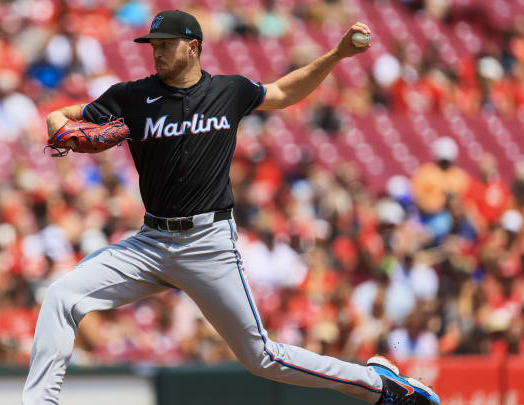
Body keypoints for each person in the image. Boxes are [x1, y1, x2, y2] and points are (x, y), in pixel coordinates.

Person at [24, 10, 440, 405]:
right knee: (62, 295)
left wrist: (336, 55)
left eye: (166, 44)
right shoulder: (132, 96)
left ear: (193, 46)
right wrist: (60, 128)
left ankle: (377, 385)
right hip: (150, 243)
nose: (157, 52)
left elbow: (281, 92)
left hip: (208, 242)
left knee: (262, 357)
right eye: (153, 45)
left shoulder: (229, 90)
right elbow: (62, 116)